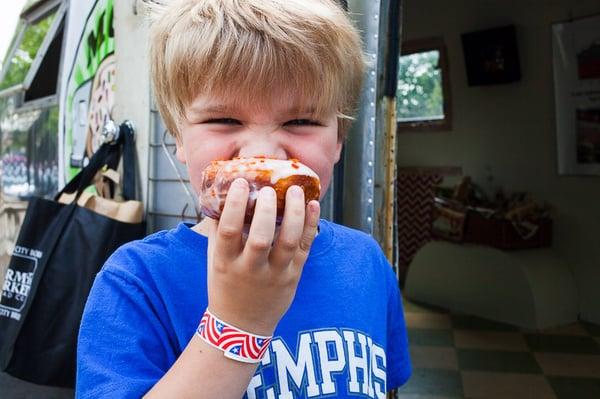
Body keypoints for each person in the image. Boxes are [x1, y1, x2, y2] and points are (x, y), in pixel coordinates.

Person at [76, 0, 411, 398]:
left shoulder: (366, 261)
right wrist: (236, 324)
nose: (264, 153)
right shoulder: (136, 282)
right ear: (179, 137)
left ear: (339, 139)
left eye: (300, 122)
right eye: (225, 120)